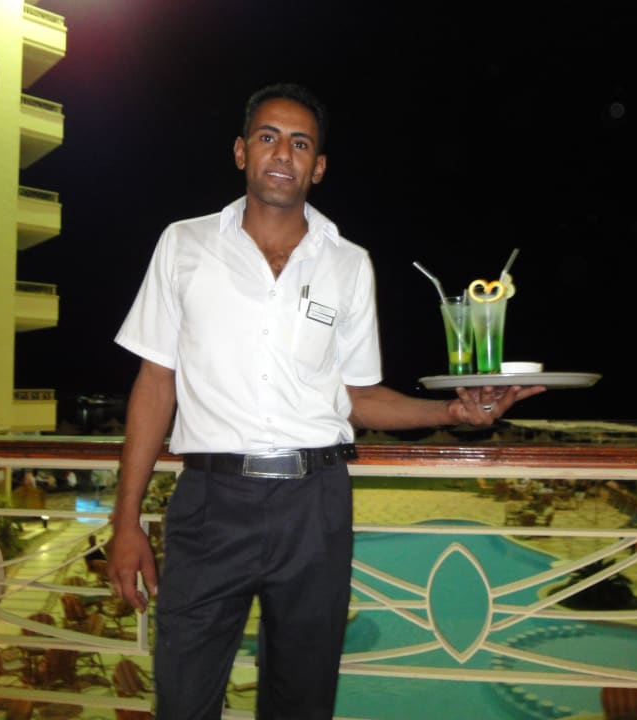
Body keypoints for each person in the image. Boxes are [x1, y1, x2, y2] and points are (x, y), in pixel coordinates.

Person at [107, 82, 545, 720]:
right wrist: (125, 522)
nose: (283, 153)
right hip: (209, 505)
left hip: (315, 506)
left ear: (318, 167)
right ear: (241, 152)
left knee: (301, 701)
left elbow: (358, 397)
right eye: (268, 137)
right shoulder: (184, 244)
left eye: (300, 143)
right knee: (183, 697)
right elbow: (155, 383)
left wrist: (452, 413)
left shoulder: (349, 264)